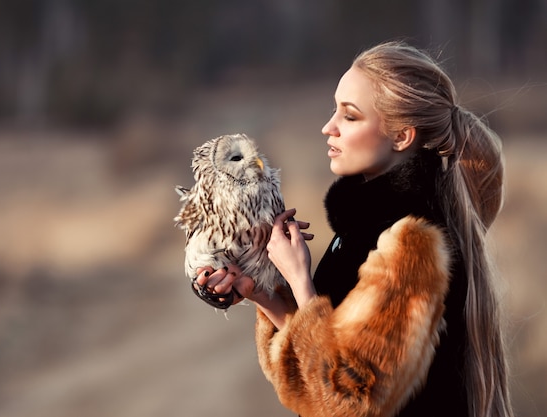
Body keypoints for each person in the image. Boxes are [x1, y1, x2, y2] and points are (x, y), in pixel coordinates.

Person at [194, 41, 515, 417]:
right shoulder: (365, 226)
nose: (328, 127)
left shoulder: (410, 243)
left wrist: (300, 278)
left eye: (349, 116)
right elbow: (328, 356)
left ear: (401, 136)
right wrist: (263, 295)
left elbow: (348, 398)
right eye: (335, 109)